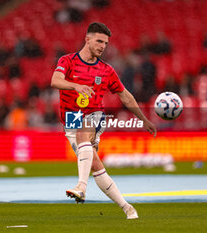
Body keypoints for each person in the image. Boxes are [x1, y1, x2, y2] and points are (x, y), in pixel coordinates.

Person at [50, 22, 156, 219]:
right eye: (99, 41)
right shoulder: (68, 61)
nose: (102, 46)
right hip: (70, 119)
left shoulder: (107, 70)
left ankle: (81, 186)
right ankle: (127, 207)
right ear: (87, 39)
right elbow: (55, 81)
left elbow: (125, 96)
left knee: (85, 129)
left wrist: (144, 119)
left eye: (105, 43)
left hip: (95, 117)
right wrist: (76, 86)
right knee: (95, 166)